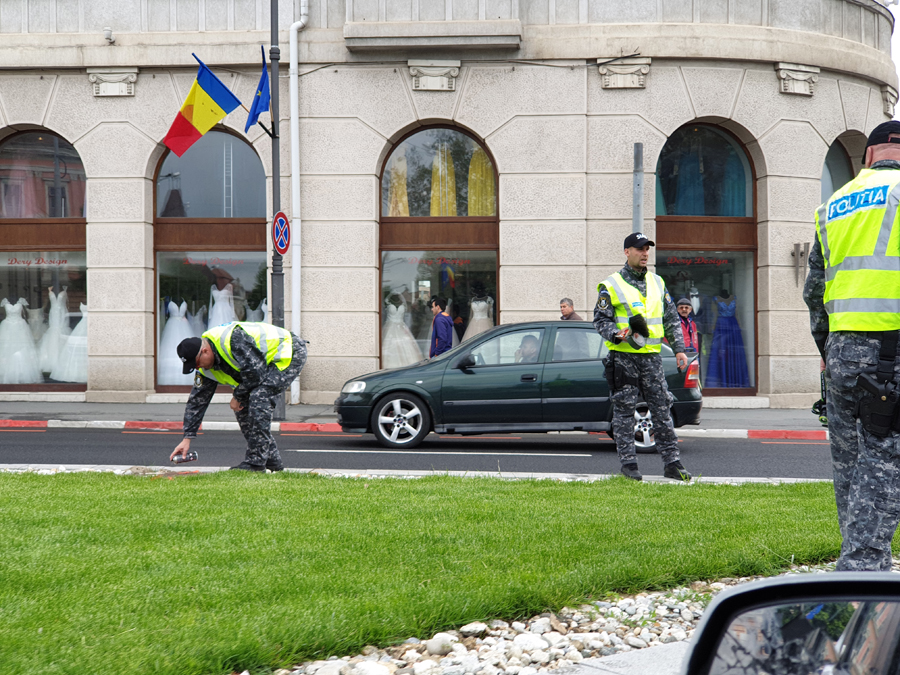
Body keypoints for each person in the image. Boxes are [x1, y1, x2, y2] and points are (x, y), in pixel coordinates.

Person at [803, 120, 900, 571]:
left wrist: (827, 350)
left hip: (842, 351)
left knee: (850, 461)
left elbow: (814, 291)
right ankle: (862, 571)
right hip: (890, 352)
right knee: (884, 464)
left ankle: (855, 557)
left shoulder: (832, 206)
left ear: (867, 157)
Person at [594, 232, 691, 482]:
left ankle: (672, 463)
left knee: (662, 409)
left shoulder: (658, 282)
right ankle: (629, 465)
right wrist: (616, 333)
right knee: (625, 412)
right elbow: (600, 319)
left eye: (647, 249)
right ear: (627, 252)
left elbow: (670, 318)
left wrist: (679, 348)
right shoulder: (612, 284)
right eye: (639, 249)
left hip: (652, 358)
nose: (645, 253)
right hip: (624, 357)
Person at [169, 321, 307, 472]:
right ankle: (271, 460)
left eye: (196, 364)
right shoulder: (205, 368)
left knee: (259, 396)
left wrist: (237, 396)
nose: (198, 368)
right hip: (261, 367)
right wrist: (187, 437)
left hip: (289, 352)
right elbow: (197, 402)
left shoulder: (233, 340)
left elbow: (256, 374)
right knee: (242, 408)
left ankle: (255, 464)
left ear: (205, 351)